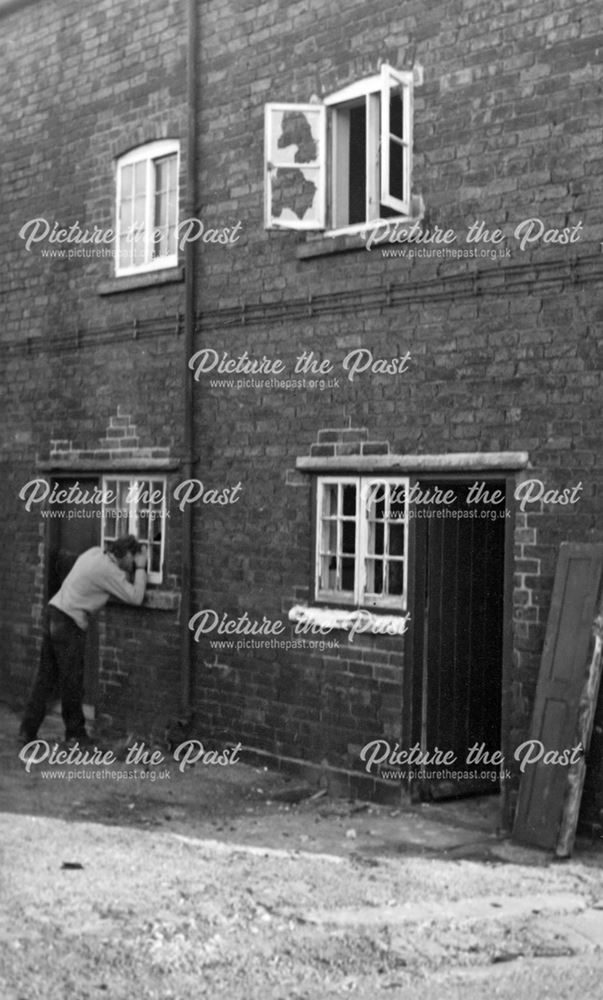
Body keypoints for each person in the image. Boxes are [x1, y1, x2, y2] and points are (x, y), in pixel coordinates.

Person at [19, 535, 148, 747]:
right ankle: (75, 733)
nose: (133, 565)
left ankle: (27, 729)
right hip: (69, 623)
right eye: (133, 559)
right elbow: (135, 597)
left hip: (53, 612)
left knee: (45, 677)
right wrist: (142, 569)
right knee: (72, 681)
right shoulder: (110, 571)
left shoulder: (94, 552)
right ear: (125, 555)